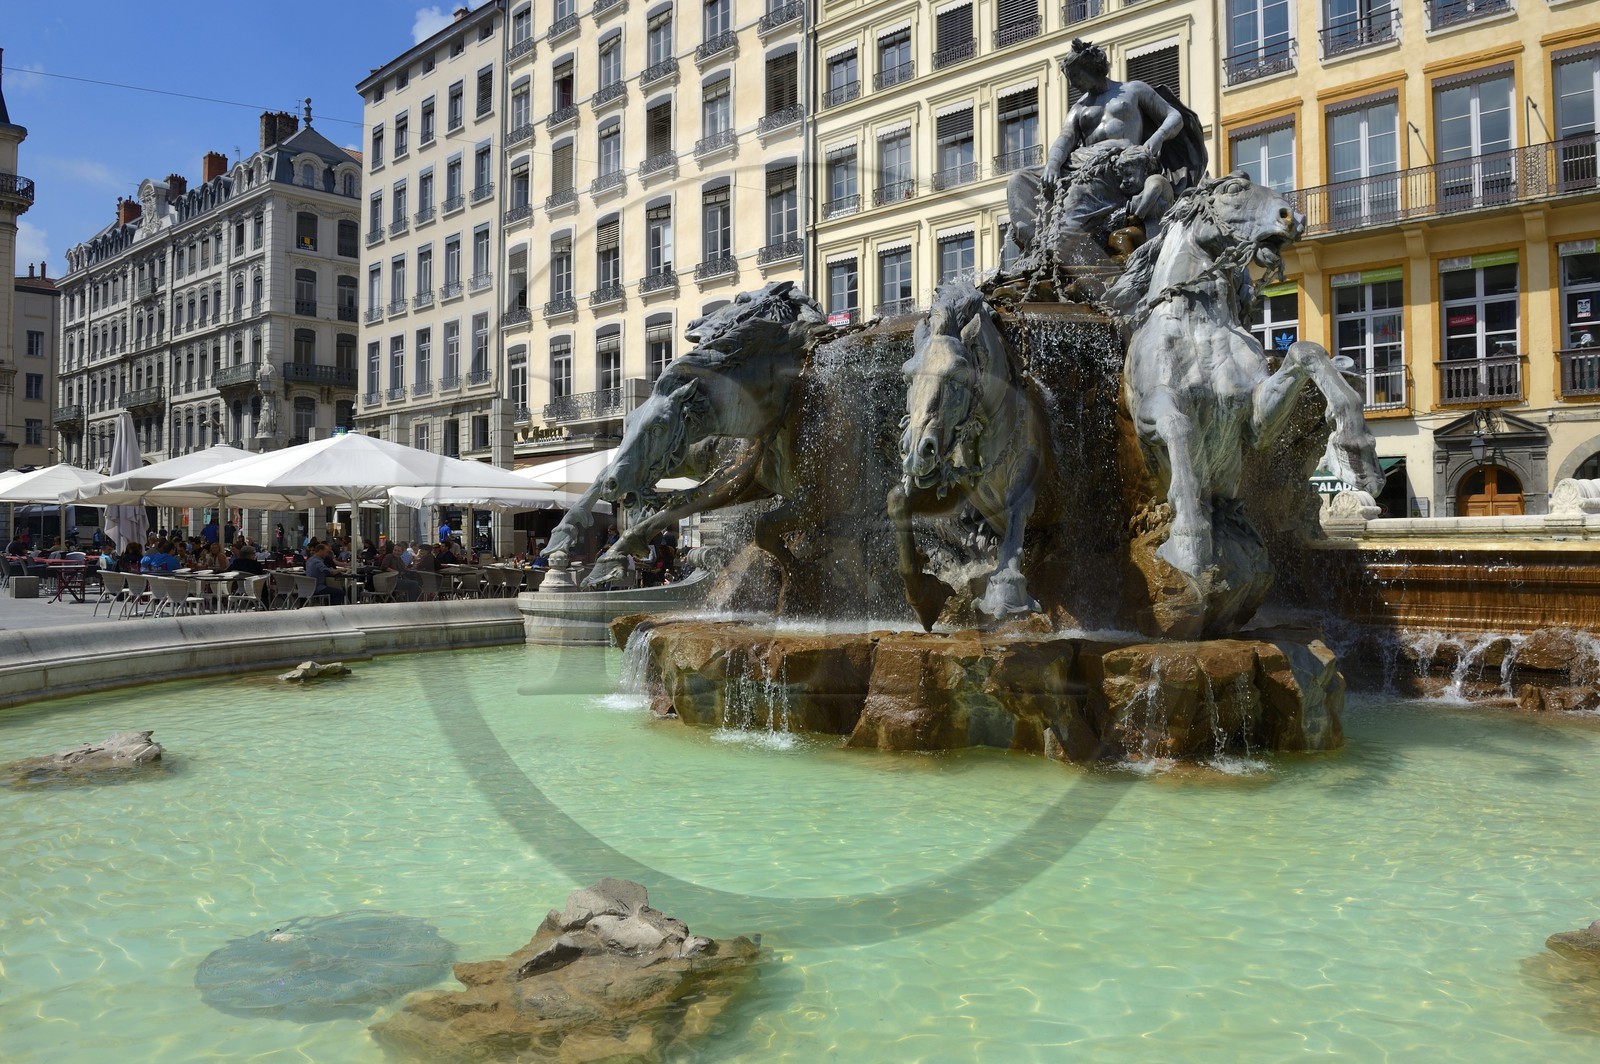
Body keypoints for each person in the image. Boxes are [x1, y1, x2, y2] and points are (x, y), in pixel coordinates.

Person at [1005, 38, 1202, 266]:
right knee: (1018, 181)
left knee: (1080, 192)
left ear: (1091, 68)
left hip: (1117, 164)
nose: (1072, 84)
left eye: (1075, 76)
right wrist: (1051, 164)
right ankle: (1034, 246)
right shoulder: (1079, 108)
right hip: (1079, 162)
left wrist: (1157, 137)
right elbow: (1065, 138)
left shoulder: (1133, 90)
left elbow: (1174, 116)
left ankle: (1054, 251)